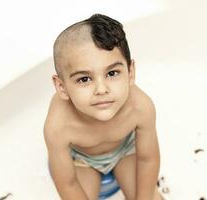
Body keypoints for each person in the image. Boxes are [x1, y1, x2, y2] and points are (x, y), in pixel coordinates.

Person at [43, 13, 162, 200]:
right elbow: (67, 183)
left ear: (130, 73)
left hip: (125, 150)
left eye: (112, 73)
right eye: (84, 79)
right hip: (82, 160)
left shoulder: (140, 107)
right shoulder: (58, 126)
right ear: (62, 87)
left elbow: (148, 159)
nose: (101, 89)